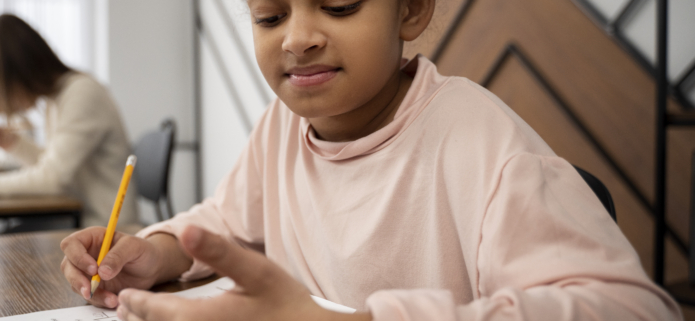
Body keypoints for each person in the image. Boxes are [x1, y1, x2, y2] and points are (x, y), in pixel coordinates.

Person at [60, 0, 681, 319]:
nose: (297, 37)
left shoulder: (480, 143)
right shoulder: (284, 125)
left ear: (410, 9)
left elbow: (634, 310)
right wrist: (153, 252)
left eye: (340, 5)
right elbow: (223, 221)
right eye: (270, 16)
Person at [0, 14, 137, 230]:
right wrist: (15, 145)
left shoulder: (82, 94)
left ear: (21, 75)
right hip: (79, 221)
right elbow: (51, 166)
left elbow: (50, 179)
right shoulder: (57, 99)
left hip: (105, 231)